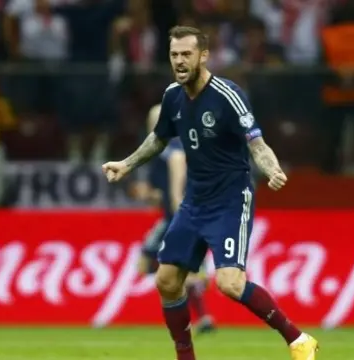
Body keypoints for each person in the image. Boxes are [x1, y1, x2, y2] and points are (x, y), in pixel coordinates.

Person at [101, 26, 318, 360]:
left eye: (186, 54)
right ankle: (185, 356)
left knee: (230, 283)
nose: (179, 61)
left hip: (231, 200)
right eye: (174, 55)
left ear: (203, 56)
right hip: (195, 201)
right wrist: (127, 164)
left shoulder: (228, 95)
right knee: (167, 280)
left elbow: (256, 144)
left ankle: (298, 339)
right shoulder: (172, 96)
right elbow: (159, 138)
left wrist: (271, 168)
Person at [131, 104, 215, 335]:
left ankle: (193, 313)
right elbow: (162, 194)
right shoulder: (159, 151)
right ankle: (197, 305)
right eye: (151, 120)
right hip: (170, 218)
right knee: (151, 267)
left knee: (159, 267)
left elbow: (178, 194)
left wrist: (183, 221)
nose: (153, 124)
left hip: (177, 221)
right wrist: (149, 194)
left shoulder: (175, 151)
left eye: (157, 120)